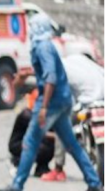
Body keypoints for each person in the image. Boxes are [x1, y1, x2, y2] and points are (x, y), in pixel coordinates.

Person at [0, 14, 103, 191]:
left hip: (51, 102)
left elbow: (50, 77)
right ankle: (94, 182)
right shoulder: (47, 45)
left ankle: (17, 185)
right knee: (72, 144)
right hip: (63, 100)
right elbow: (47, 72)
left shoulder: (41, 46)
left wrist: (44, 106)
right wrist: (26, 75)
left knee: (30, 141)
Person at [41, 53, 105, 182]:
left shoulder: (60, 70)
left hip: (88, 102)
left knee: (62, 125)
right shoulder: (83, 61)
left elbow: (64, 97)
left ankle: (58, 169)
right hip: (102, 101)